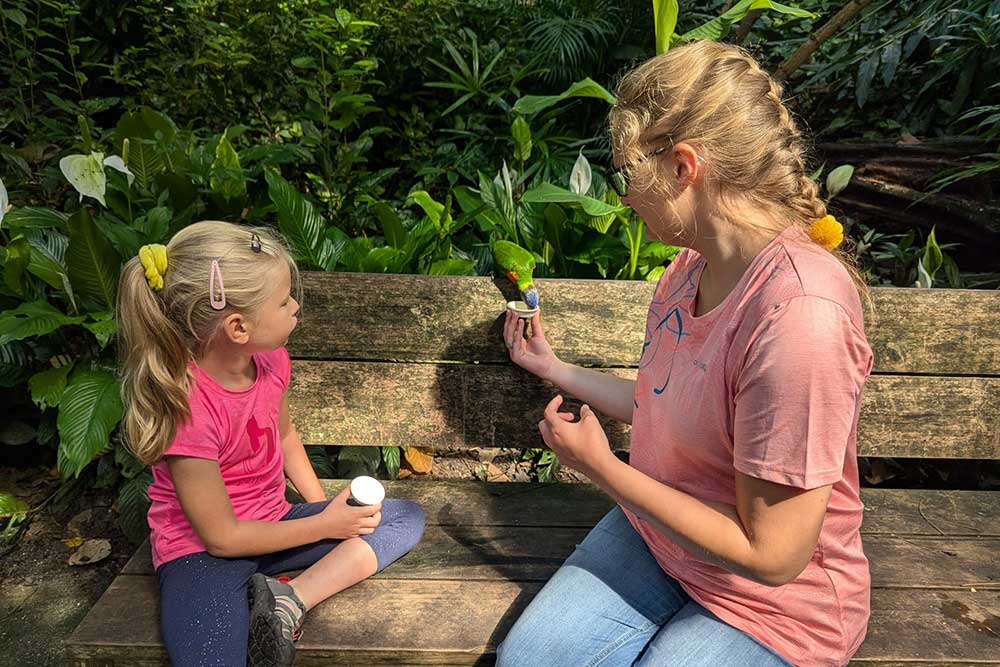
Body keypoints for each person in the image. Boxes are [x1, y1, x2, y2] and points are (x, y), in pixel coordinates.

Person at [496, 40, 873, 667]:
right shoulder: (687, 269)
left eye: (626, 173)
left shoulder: (800, 317)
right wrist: (556, 369)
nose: (622, 196)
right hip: (661, 536)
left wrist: (602, 468)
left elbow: (774, 555)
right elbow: (665, 406)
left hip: (776, 605)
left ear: (682, 167)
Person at [117, 220, 425, 666]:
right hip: (203, 556)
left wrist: (331, 511)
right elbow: (221, 537)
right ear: (238, 327)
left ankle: (289, 598)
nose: (295, 307)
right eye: (283, 302)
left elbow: (284, 434)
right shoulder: (190, 409)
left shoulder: (270, 361)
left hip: (276, 526)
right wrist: (324, 528)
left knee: (402, 518)